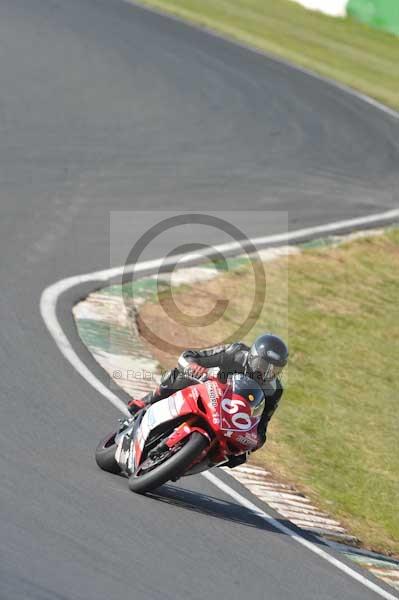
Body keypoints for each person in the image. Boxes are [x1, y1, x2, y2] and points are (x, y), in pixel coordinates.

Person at [127, 333, 288, 468]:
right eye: (262, 365)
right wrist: (194, 366)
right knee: (179, 376)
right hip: (208, 389)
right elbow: (189, 356)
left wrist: (256, 441)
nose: (265, 373)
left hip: (232, 417)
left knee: (240, 456)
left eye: (273, 369)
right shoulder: (235, 352)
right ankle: (148, 400)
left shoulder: (274, 390)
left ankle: (193, 461)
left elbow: (262, 424)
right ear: (252, 356)